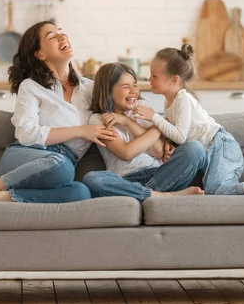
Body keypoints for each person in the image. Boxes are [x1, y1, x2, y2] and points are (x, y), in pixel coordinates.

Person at [0, 21, 117, 203]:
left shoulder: (91, 88)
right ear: (40, 54)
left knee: (80, 192)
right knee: (63, 166)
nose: (62, 37)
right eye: (52, 36)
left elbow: (123, 99)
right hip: (26, 158)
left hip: (58, 170)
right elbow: (26, 133)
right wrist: (81, 131)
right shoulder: (31, 87)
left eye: (61, 32)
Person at [133, 43, 244, 195]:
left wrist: (154, 117)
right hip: (209, 151)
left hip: (220, 146)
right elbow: (178, 134)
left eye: (154, 76)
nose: (149, 79)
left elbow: (180, 136)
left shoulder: (183, 99)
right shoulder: (168, 100)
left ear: (174, 79)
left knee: (216, 191)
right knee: (213, 189)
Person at [82, 62, 206, 202]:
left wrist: (127, 121)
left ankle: (146, 194)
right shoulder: (98, 120)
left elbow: (158, 151)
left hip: (160, 175)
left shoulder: (142, 107)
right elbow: (126, 153)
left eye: (135, 85)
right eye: (125, 86)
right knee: (92, 179)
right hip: (126, 179)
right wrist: (158, 126)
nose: (134, 91)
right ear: (108, 90)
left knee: (195, 148)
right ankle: (161, 196)